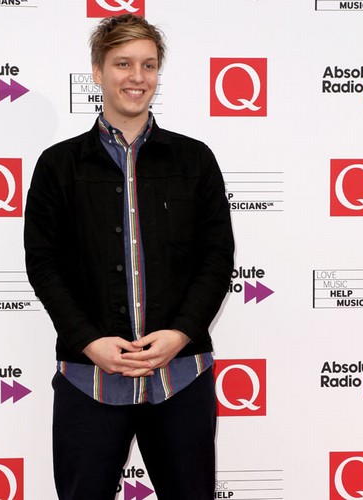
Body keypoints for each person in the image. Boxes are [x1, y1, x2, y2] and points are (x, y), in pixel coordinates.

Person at [24, 14, 234, 500]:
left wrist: (180, 333)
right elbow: (44, 264)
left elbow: (217, 258)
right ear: (97, 72)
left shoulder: (195, 160)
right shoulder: (58, 165)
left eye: (148, 65)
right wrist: (88, 341)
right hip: (88, 379)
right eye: (123, 63)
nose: (137, 77)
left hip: (181, 379)